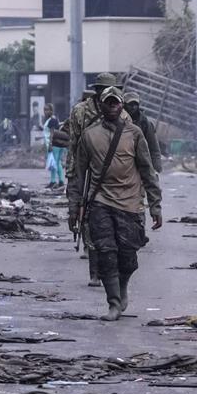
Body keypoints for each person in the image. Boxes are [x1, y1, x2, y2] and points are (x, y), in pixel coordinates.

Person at [68, 87, 162, 321]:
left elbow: (147, 171)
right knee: (106, 252)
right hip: (100, 201)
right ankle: (113, 302)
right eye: (107, 102)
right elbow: (79, 174)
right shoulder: (89, 136)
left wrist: (155, 205)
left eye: (115, 103)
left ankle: (122, 288)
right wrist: (74, 208)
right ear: (100, 105)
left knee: (127, 256)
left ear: (121, 106)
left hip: (130, 203)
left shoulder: (135, 134)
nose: (112, 106)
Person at [64, 73, 133, 286]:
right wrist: (74, 172)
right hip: (86, 169)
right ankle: (95, 271)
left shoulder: (123, 115)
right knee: (86, 217)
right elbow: (74, 144)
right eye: (104, 90)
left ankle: (109, 268)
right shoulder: (80, 111)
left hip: (113, 173)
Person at [123, 92, 162, 173]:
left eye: (135, 104)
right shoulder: (119, 120)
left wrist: (156, 168)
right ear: (124, 105)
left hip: (140, 163)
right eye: (130, 104)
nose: (133, 107)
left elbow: (153, 147)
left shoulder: (145, 123)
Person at [42, 103, 65, 188]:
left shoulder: (52, 120)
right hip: (58, 144)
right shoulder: (52, 119)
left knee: (53, 163)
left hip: (54, 144)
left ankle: (53, 181)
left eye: (47, 110)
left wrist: (51, 144)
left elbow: (52, 132)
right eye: (44, 110)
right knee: (57, 162)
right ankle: (61, 181)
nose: (45, 112)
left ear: (51, 111)